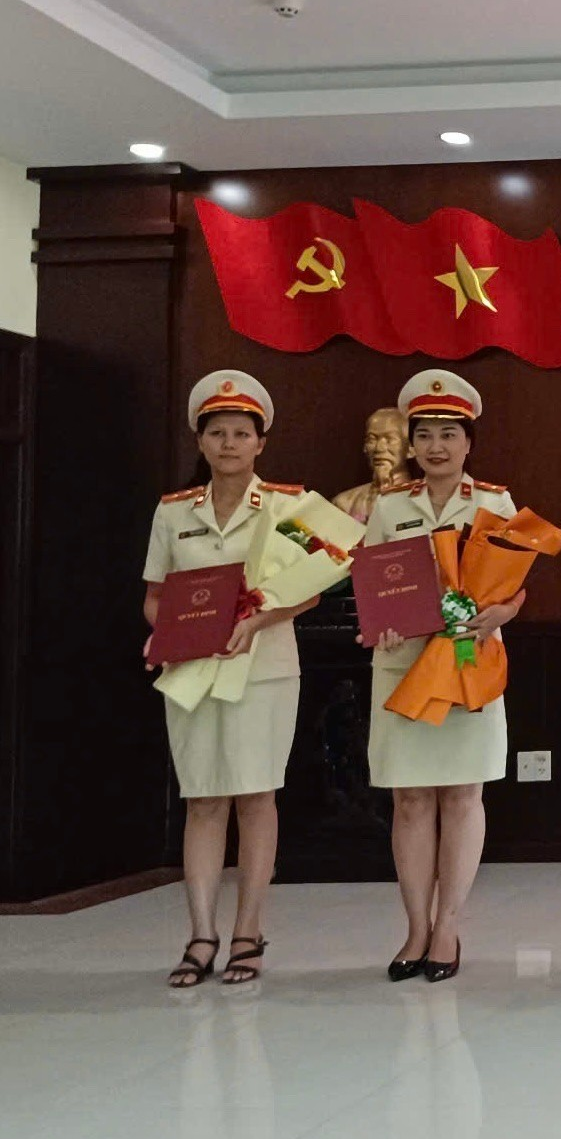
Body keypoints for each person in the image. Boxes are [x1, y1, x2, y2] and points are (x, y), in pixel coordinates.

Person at [144, 372, 324, 987]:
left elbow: (313, 584)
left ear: (260, 443)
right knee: (202, 798)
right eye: (217, 433)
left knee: (255, 797)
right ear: (200, 441)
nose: (229, 444)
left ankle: (248, 931)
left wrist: (258, 620)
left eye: (241, 433)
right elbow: (155, 596)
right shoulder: (174, 512)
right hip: (193, 672)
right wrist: (167, 633)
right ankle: (200, 934)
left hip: (264, 671)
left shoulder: (287, 508)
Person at [363, 371, 522, 984]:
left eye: (448, 434)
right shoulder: (389, 506)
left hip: (468, 664)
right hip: (403, 665)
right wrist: (382, 623)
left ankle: (448, 926)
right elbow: (374, 583)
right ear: (411, 444)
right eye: (424, 434)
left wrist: (502, 614)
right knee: (409, 799)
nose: (436, 446)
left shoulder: (494, 503)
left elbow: (514, 586)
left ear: (468, 442)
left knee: (461, 795)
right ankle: (415, 927)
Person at [331, 406, 411, 523]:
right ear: (365, 447)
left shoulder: (427, 502)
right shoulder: (344, 503)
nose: (379, 448)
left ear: (411, 449)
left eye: (390, 439)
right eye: (372, 439)